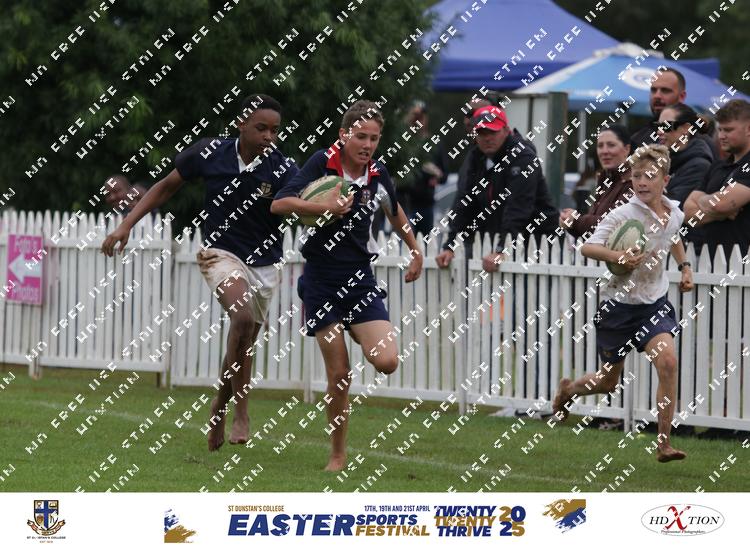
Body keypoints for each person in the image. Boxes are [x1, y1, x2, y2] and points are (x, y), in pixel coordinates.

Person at [102, 93, 299, 451]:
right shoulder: (210, 152)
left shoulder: (283, 167)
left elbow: (305, 200)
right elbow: (165, 186)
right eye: (261, 128)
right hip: (220, 254)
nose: (269, 136)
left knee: (244, 341)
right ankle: (237, 412)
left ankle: (224, 407)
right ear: (241, 124)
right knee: (241, 318)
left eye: (275, 130)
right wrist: (125, 225)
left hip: (265, 264)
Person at [271, 100, 423, 472]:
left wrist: (415, 249)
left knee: (387, 361)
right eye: (360, 137)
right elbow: (280, 204)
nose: (367, 144)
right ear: (343, 135)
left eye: (374, 138)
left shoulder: (378, 174)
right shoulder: (321, 163)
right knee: (340, 375)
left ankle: (355, 327)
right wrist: (322, 208)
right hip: (321, 281)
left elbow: (394, 210)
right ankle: (337, 455)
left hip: (360, 279)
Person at [552, 144, 694, 463]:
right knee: (607, 382)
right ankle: (568, 390)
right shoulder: (622, 214)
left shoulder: (674, 212)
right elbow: (588, 247)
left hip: (654, 303)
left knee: (668, 362)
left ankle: (664, 443)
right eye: (636, 176)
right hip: (618, 306)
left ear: (665, 180)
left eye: (649, 176)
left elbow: (673, 236)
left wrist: (685, 267)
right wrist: (618, 257)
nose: (641, 182)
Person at [436, 105, 558, 271]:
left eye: (492, 132)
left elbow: (518, 207)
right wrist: (450, 246)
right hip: (502, 241)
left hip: (539, 241)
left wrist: (502, 249)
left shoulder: (523, 156)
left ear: (506, 131)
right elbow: (464, 203)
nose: (487, 138)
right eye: (482, 133)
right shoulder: (476, 157)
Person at [684, 99, 750, 258]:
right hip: (710, 263)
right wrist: (719, 210)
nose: (721, 136)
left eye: (728, 130)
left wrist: (703, 202)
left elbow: (721, 204)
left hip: (743, 265)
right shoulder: (717, 167)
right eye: (720, 129)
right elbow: (687, 213)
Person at [656, 103, 713, 250]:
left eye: (666, 126)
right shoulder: (664, 160)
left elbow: (672, 208)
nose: (659, 131)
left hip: (688, 249)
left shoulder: (699, 165)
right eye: (657, 126)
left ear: (686, 128)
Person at [559, 125, 633, 239]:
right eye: (600, 146)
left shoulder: (634, 181)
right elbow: (595, 230)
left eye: (611, 145)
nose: (604, 151)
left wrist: (576, 220)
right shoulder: (605, 178)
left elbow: (614, 224)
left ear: (627, 149)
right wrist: (571, 223)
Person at [401, 101, 448, 238]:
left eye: (421, 117)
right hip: (405, 204)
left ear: (426, 118)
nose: (417, 121)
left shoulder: (435, 143)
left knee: (426, 244)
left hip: (426, 204)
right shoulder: (403, 143)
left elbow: (444, 175)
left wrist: (437, 176)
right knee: (405, 244)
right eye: (414, 116)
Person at [630, 67, 687, 149]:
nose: (657, 96)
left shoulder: (696, 138)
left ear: (681, 96)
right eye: (653, 90)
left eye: (665, 90)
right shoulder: (637, 139)